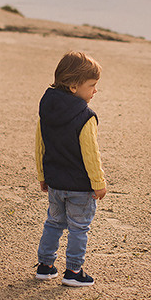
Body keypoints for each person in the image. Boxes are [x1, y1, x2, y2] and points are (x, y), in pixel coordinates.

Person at [34, 51, 106, 287]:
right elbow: (91, 154)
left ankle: (45, 266)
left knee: (53, 223)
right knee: (79, 228)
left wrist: (43, 175)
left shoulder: (46, 109)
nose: (95, 90)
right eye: (92, 85)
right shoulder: (85, 116)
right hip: (80, 187)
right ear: (74, 87)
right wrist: (98, 183)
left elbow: (40, 145)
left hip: (55, 183)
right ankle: (73, 271)